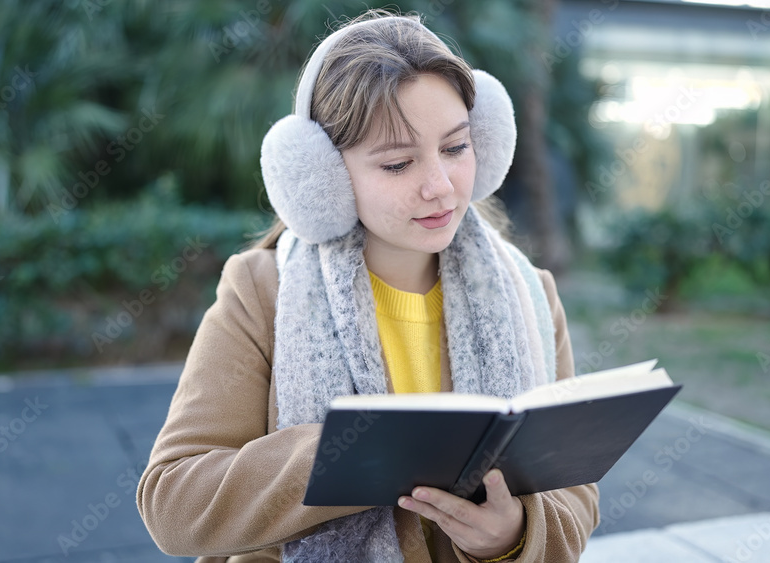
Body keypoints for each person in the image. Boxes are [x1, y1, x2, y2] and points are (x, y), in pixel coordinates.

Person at [137, 10, 599, 563]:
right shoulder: (261, 292)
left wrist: (513, 534)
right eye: (399, 163)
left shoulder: (531, 291)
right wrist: (361, 449)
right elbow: (173, 504)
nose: (440, 187)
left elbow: (574, 490)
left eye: (456, 148)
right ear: (320, 177)